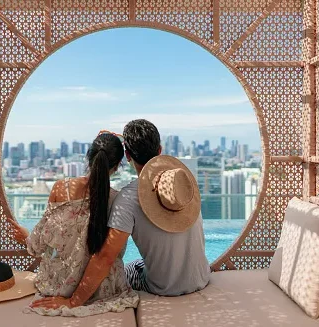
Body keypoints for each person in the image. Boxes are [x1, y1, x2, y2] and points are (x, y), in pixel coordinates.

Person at [32, 119, 210, 310]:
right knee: (140, 262)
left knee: (130, 268)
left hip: (163, 288)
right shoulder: (182, 185)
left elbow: (105, 257)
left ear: (127, 156)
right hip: (201, 278)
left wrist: (73, 301)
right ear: (160, 150)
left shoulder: (128, 198)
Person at [8, 132, 139, 316]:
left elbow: (37, 246)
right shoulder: (118, 201)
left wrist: (25, 236)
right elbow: (108, 256)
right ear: (118, 166)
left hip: (59, 286)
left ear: (88, 157)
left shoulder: (62, 189)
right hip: (106, 289)